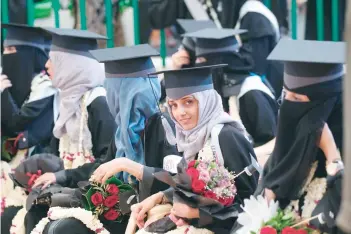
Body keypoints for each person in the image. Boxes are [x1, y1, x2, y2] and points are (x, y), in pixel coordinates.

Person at [25, 44, 178, 234]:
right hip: (120, 211)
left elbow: (176, 180)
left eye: (113, 89)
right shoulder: (123, 131)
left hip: (151, 215)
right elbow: (102, 171)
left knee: (63, 229)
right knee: (48, 218)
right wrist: (63, 189)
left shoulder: (164, 126)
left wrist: (131, 167)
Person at [130, 65, 259, 234]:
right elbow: (195, 188)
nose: (179, 113)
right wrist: (159, 197)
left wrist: (198, 212)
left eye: (188, 102)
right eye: (173, 105)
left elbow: (251, 203)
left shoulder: (226, 136)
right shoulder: (191, 136)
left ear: (206, 100)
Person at [255, 39, 344, 233]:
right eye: (285, 96)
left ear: (326, 104)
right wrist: (268, 195)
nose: (287, 107)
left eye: (296, 99)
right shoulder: (287, 148)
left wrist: (331, 154)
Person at [1, 23, 57, 158]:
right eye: (4, 50)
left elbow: (18, 125)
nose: (5, 55)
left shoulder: (46, 86)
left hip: (40, 162)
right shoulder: (13, 82)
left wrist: (3, 94)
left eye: (11, 49)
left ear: (28, 54)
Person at [221, 0, 283, 98]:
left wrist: (220, 59)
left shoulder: (254, 16)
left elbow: (255, 64)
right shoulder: (251, 13)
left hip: (262, 90)